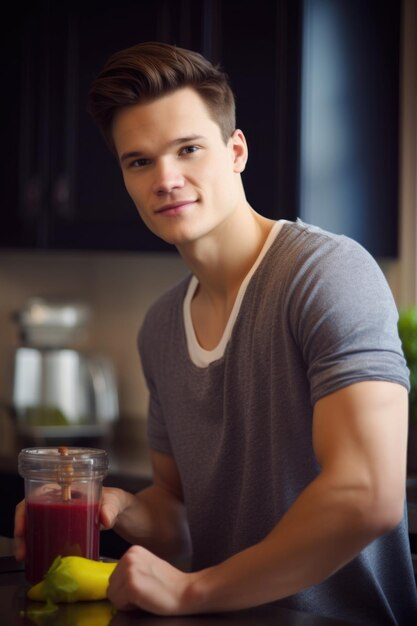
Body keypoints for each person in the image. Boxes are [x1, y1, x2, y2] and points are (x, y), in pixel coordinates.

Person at [15, 42, 417, 624]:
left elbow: (368, 495)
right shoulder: (159, 326)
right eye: (139, 161)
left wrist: (191, 593)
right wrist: (115, 506)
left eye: (188, 149)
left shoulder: (326, 274)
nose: (166, 178)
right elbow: (179, 520)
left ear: (236, 151)